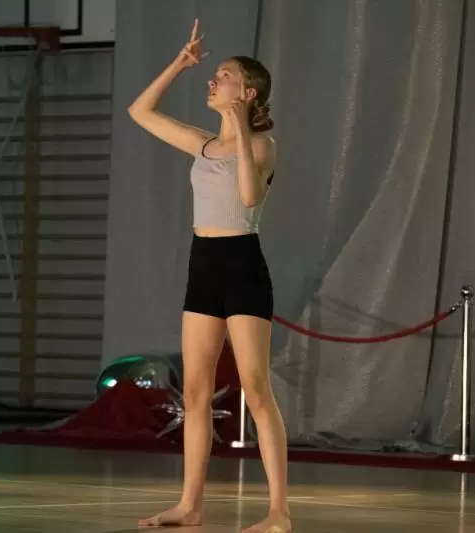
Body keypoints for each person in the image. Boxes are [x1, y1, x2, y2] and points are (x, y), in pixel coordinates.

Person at [128, 19, 291, 533]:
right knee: (195, 392)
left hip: (243, 267)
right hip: (203, 267)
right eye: (214, 74)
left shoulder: (261, 145)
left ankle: (279, 512)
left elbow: (249, 196)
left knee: (255, 388)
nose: (212, 80)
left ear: (247, 92)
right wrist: (179, 63)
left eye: (223, 76)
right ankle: (189, 505)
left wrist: (239, 126)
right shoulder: (200, 144)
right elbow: (140, 111)